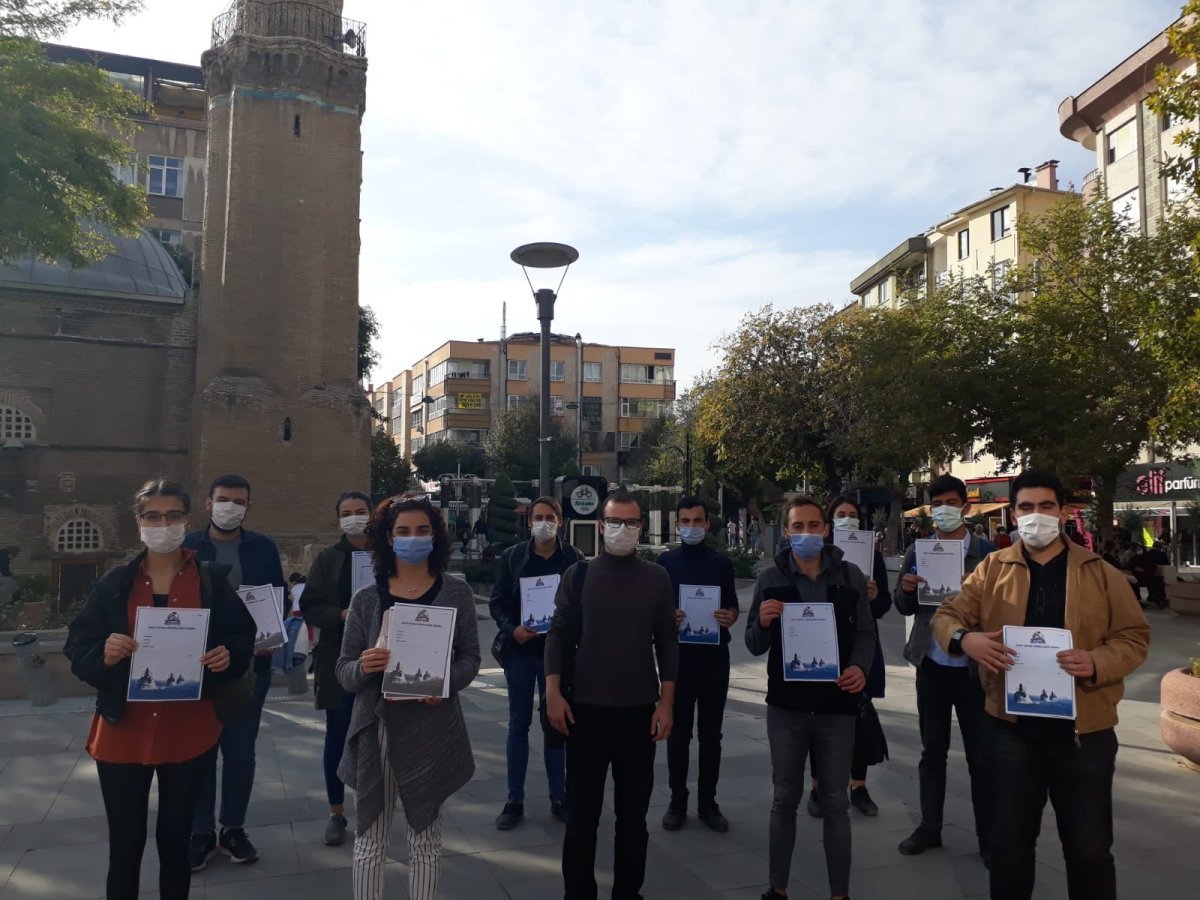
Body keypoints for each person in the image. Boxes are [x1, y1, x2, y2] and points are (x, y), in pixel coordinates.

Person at [932, 469, 1150, 900]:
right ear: (1014, 514)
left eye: (1046, 506)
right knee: (1009, 848)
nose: (1036, 515)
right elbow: (947, 615)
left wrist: (1096, 661)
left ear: (1063, 511)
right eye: (1027, 507)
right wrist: (965, 640)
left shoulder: (1100, 573)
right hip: (1010, 732)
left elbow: (1133, 637)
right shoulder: (993, 568)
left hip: (1084, 734)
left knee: (1089, 852)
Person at [64, 479, 255, 900]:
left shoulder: (210, 581)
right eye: (152, 516)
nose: (163, 524)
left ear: (187, 519)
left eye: (172, 516)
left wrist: (226, 656)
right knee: (125, 846)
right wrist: (104, 654)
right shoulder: (116, 584)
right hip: (124, 732)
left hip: (188, 731)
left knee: (176, 844)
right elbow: (78, 647)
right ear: (139, 522)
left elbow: (242, 638)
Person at [336, 495, 480, 900]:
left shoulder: (456, 593)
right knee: (371, 839)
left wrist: (445, 683)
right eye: (403, 531)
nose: (413, 538)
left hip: (432, 726)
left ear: (435, 536)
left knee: (426, 840)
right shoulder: (367, 598)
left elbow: (471, 657)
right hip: (377, 726)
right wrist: (364, 666)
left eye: (422, 530)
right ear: (388, 537)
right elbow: (344, 670)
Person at [545, 490, 678, 900]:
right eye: (615, 521)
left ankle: (627, 892)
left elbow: (667, 641)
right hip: (585, 713)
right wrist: (552, 691)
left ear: (641, 526)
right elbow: (558, 634)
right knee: (581, 819)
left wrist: (667, 703)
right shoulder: (579, 575)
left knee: (633, 820)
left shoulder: (656, 578)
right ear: (601, 526)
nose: (623, 529)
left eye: (631, 522)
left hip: (638, 714)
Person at [747, 496, 876, 900]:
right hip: (787, 708)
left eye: (813, 526)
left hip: (837, 706)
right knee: (784, 798)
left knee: (835, 801)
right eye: (798, 527)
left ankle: (840, 893)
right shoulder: (770, 579)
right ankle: (777, 888)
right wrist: (763, 623)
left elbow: (866, 633)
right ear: (787, 532)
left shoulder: (850, 576)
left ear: (826, 529)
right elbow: (753, 643)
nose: (806, 533)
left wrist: (860, 667)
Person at [893, 474, 997, 863]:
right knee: (932, 751)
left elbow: (1004, 610)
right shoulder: (918, 551)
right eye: (937, 505)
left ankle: (989, 837)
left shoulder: (988, 554)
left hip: (973, 671)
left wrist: (980, 594)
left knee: (981, 758)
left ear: (965, 507)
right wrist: (906, 589)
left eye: (951, 503)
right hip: (932, 664)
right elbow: (903, 606)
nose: (944, 511)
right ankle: (929, 827)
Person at [186, 474, 286, 870]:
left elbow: (276, 594)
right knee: (200, 751)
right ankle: (200, 832)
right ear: (208, 503)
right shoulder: (189, 546)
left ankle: (233, 829)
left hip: (249, 665)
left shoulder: (262, 547)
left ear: (248, 507)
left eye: (239, 501)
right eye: (224, 499)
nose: (231, 507)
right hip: (199, 665)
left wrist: (275, 632)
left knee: (240, 751)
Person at [488, 497, 580, 829]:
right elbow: (497, 602)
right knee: (518, 724)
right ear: (529, 522)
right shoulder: (513, 557)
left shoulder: (573, 558)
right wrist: (512, 629)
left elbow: (582, 604)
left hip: (557, 656)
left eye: (549, 517)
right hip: (521, 654)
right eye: (538, 517)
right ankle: (514, 800)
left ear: (560, 522)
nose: (544, 523)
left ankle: (560, 797)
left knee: (556, 724)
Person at [658, 496, 739, 832]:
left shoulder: (721, 564)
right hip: (678, 661)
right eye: (685, 521)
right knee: (677, 735)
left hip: (714, 660)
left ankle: (708, 803)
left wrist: (729, 616)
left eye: (697, 521)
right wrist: (667, 616)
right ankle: (677, 801)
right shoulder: (665, 563)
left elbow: (732, 606)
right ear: (677, 524)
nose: (691, 527)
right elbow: (655, 612)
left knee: (711, 736)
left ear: (707, 524)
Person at [807, 496, 891, 819]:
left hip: (860, 647)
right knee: (819, 717)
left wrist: (874, 597)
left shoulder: (873, 556)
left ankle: (859, 786)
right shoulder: (819, 557)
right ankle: (818, 787)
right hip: (824, 646)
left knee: (858, 717)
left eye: (852, 514)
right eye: (840, 514)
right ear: (830, 523)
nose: (847, 518)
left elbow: (884, 606)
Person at [298, 490, 372, 846]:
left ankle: (374, 808)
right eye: (347, 512)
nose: (354, 517)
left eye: (360, 511)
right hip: (338, 658)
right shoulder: (328, 559)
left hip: (381, 657)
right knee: (338, 736)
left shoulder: (387, 554)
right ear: (339, 518)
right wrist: (341, 614)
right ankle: (337, 812)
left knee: (379, 736)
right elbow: (310, 607)